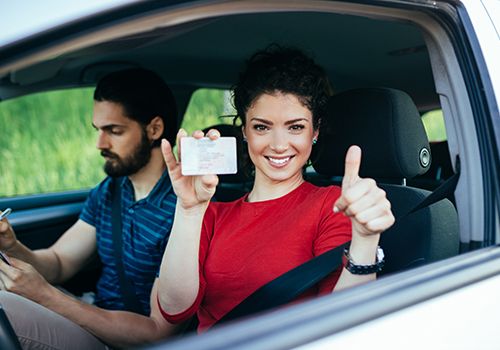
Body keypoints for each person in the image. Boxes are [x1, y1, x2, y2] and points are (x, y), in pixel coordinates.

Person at [156, 46, 396, 332]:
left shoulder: (334, 205)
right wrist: (189, 210)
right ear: (244, 131)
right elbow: (174, 309)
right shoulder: (212, 213)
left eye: (295, 127)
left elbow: (342, 320)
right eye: (261, 127)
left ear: (315, 131)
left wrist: (366, 240)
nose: (279, 144)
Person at [0, 68, 179, 349]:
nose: (100, 144)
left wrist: (45, 295)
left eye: (114, 131)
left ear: (154, 129)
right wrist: (12, 246)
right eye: (98, 130)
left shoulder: (184, 209)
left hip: (124, 341)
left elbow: (157, 334)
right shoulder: (110, 190)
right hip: (90, 314)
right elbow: (58, 263)